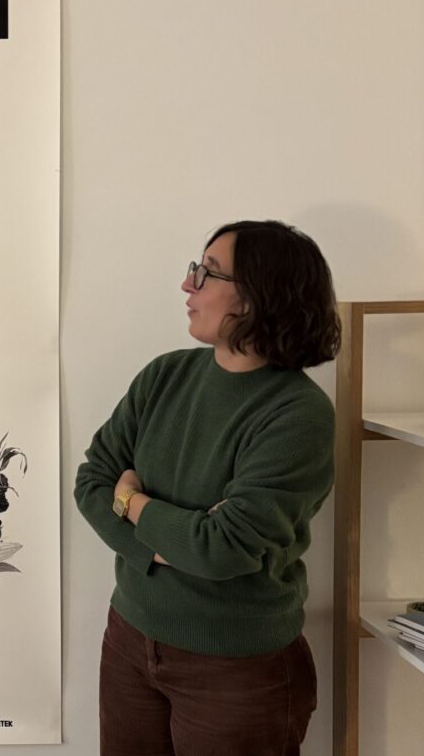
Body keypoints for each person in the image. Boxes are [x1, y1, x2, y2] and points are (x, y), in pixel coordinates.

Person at [74, 220, 341, 756]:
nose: (187, 285)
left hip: (237, 669)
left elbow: (221, 549)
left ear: (258, 296)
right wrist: (170, 540)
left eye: (207, 272)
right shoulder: (165, 376)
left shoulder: (297, 413)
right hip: (129, 639)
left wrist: (133, 502)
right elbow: (91, 482)